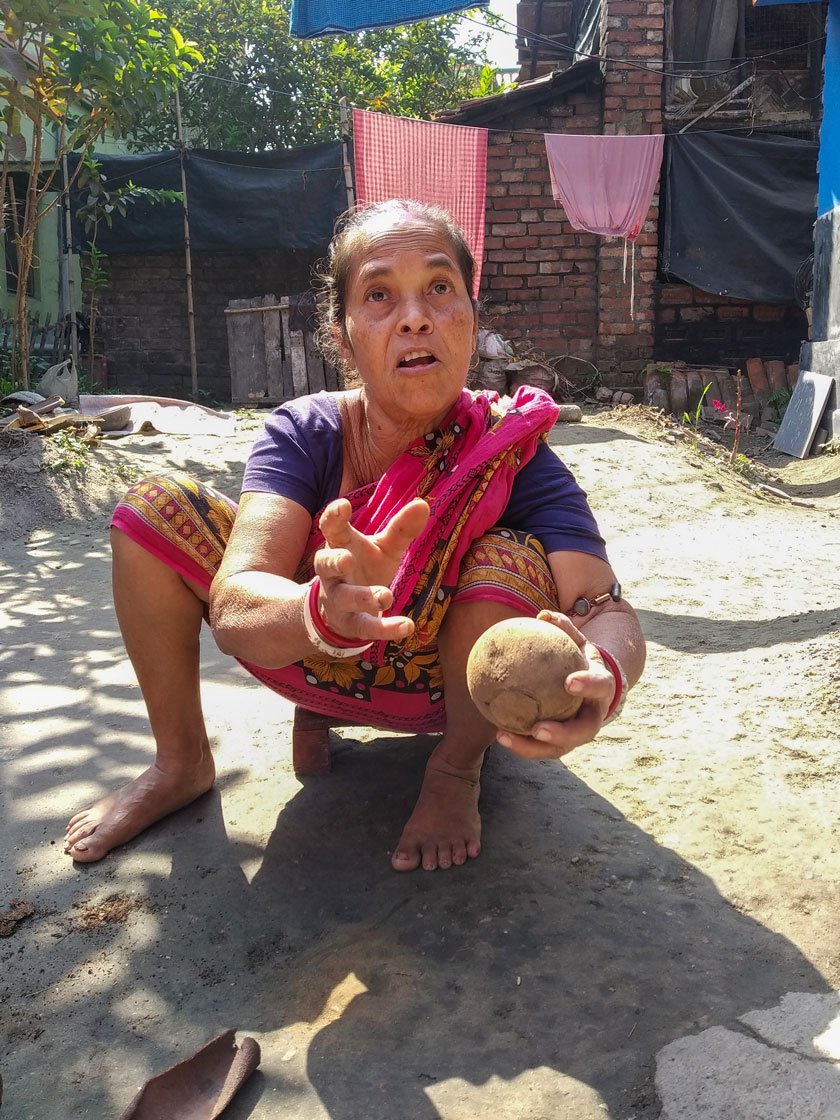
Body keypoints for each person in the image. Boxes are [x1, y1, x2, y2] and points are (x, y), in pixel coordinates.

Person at [64, 199, 645, 872]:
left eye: (439, 288)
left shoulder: (513, 452)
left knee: (508, 559)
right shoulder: (305, 432)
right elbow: (236, 602)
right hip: (302, 648)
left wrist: (603, 671)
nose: (415, 316)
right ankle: (180, 762)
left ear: (470, 320)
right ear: (343, 338)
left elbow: (602, 608)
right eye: (379, 295)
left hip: (447, 693)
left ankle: (456, 771)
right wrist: (324, 610)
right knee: (152, 509)